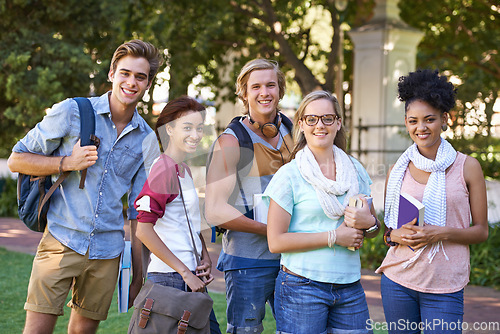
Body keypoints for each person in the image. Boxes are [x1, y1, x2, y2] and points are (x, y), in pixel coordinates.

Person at [8, 40, 163, 334]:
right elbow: (17, 160)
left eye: (140, 77)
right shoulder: (73, 112)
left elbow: (138, 213)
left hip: (107, 253)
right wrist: (66, 162)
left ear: (148, 83)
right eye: (125, 73)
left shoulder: (146, 140)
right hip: (60, 240)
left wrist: (138, 277)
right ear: (112, 74)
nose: (131, 82)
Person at [376, 69, 488, 334]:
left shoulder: (468, 167)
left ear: (445, 119)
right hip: (397, 281)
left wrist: (441, 233)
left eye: (429, 119)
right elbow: (388, 233)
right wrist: (398, 236)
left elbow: (481, 231)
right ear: (406, 123)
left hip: (445, 284)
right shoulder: (398, 170)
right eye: (413, 121)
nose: (421, 127)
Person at [264, 90, 380, 334]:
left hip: (349, 285)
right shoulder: (289, 175)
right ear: (301, 124)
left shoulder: (355, 169)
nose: (320, 125)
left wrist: (369, 222)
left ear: (338, 123)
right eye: (312, 119)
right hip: (301, 285)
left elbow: (371, 230)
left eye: (327, 118)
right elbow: (275, 241)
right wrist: (334, 237)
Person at [205, 59, 293, 333]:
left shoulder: (293, 131)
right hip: (247, 261)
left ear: (280, 90)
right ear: (244, 93)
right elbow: (215, 211)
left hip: (292, 260)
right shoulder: (231, 141)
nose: (264, 92)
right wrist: (270, 230)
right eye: (256, 86)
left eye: (271, 85)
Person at [133, 96, 221, 333]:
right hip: (171, 279)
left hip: (189, 276)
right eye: (187, 128)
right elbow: (143, 229)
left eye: (199, 128)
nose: (195, 134)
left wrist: (203, 255)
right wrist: (185, 272)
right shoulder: (164, 169)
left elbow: (187, 222)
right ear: (169, 130)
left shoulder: (183, 169)